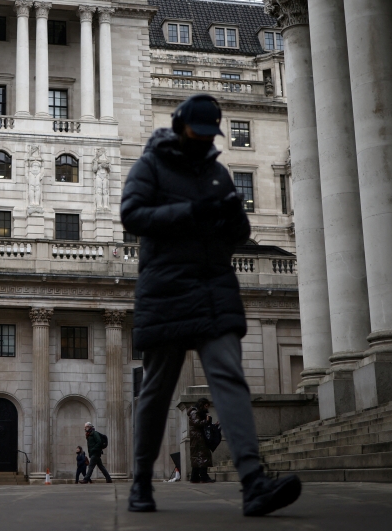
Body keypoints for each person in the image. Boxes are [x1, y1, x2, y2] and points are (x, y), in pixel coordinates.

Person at [121, 94, 302, 516]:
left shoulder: (220, 173)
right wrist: (190, 211)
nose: (203, 141)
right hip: (166, 286)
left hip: (214, 286)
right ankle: (141, 482)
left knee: (230, 379)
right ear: (181, 127)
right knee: (157, 389)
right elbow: (132, 215)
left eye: (208, 135)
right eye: (197, 134)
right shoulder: (150, 165)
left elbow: (237, 231)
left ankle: (253, 483)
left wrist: (233, 219)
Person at [188, 399, 214, 483]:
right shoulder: (194, 412)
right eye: (206, 406)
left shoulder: (197, 412)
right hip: (198, 438)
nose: (206, 408)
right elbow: (197, 423)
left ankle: (195, 476)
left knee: (198, 457)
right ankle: (203, 476)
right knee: (202, 456)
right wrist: (206, 420)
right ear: (202, 405)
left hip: (198, 437)